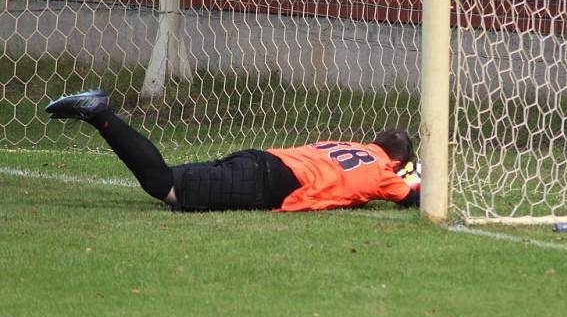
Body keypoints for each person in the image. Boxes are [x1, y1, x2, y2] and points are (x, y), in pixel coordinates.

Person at [45, 90, 420, 212]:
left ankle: (98, 113)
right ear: (398, 161)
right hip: (266, 183)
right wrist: (417, 178)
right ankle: (99, 113)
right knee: (165, 187)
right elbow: (412, 199)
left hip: (262, 163)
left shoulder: (352, 146)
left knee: (170, 179)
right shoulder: (385, 172)